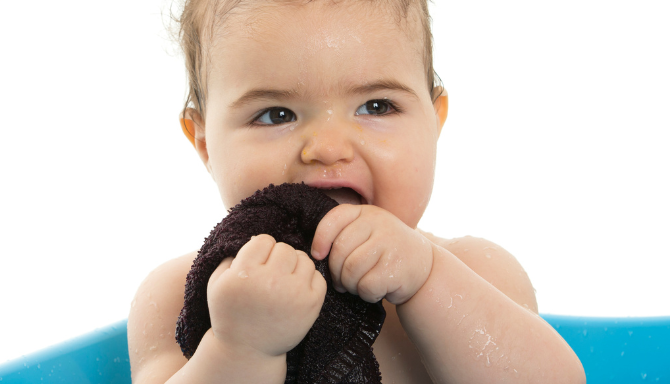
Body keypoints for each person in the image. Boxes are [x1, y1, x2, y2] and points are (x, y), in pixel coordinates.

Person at [128, 0, 585, 382]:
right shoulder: (182, 295)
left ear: (435, 120)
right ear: (205, 144)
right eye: (275, 114)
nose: (327, 148)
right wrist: (238, 348)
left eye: (376, 106)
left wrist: (428, 280)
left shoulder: (479, 273)